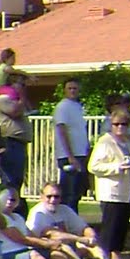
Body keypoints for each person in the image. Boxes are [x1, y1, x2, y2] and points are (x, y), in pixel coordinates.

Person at [26, 182, 130, 259]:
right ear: (41, 197)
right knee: (61, 247)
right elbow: (53, 234)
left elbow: (84, 228)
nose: (53, 200)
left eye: (56, 196)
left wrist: (91, 237)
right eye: (49, 196)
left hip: (68, 249)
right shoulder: (38, 213)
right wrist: (81, 239)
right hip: (47, 252)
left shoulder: (65, 210)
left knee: (87, 244)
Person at [87, 108, 130, 259]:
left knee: (121, 229)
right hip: (111, 192)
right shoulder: (105, 142)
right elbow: (93, 166)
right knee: (110, 230)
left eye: (123, 124)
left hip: (126, 193)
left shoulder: (127, 143)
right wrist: (116, 168)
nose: (120, 128)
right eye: (116, 124)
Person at [52, 78, 90, 209]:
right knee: (68, 193)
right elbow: (61, 131)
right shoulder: (62, 107)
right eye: (70, 88)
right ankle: (64, 219)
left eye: (75, 88)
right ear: (64, 90)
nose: (73, 91)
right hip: (68, 156)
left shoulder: (78, 107)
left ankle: (74, 219)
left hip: (80, 153)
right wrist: (70, 156)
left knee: (77, 192)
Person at [0, 72, 32, 198]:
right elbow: (15, 112)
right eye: (21, 84)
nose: (23, 87)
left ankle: (15, 201)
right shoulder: (3, 98)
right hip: (10, 142)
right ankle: (7, 201)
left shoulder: (17, 100)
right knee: (11, 178)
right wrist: (22, 96)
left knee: (18, 177)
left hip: (19, 143)